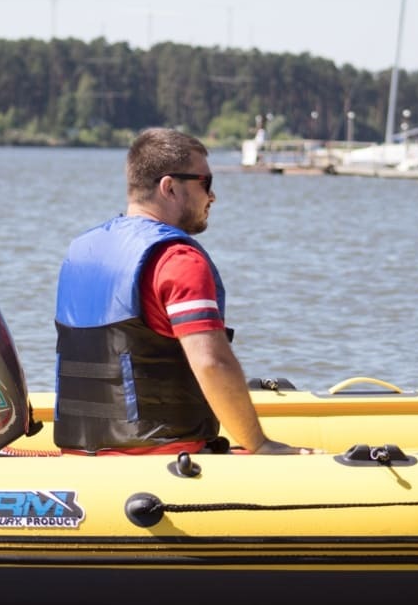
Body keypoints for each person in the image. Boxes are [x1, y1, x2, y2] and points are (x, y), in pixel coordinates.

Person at [54, 128, 310, 456]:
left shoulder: (79, 253)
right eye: (205, 183)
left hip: (80, 458)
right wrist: (259, 444)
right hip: (166, 459)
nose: (212, 196)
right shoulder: (178, 260)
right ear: (170, 187)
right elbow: (212, 363)